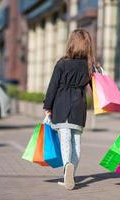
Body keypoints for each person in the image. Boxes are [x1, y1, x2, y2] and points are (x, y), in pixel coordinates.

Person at [43, 29, 94, 190]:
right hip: (79, 108)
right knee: (76, 143)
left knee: (65, 141)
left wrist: (47, 106)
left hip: (61, 106)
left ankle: (67, 168)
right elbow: (96, 88)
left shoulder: (62, 64)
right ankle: (71, 173)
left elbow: (53, 87)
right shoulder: (88, 66)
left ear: (71, 44)